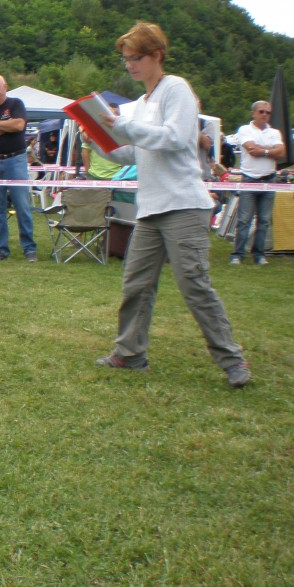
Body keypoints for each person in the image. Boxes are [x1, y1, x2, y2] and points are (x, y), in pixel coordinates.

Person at [89, 21, 250, 388]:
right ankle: (130, 354)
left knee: (194, 284)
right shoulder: (141, 104)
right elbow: (132, 150)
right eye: (126, 59)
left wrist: (123, 127)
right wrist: (99, 140)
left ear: (157, 55)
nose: (130, 65)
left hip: (184, 206)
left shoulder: (176, 89)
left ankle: (232, 360)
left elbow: (177, 139)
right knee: (136, 284)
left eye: (137, 57)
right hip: (151, 210)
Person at [0, 75, 38, 262]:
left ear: (5, 87)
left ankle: (29, 249)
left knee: (22, 205)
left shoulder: (16, 103)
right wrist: (8, 126)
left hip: (16, 160)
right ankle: (1, 249)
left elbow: (19, 125)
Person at [230, 100, 284, 265]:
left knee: (264, 220)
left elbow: (281, 152)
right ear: (254, 113)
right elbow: (251, 150)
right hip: (250, 179)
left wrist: (263, 150)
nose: (264, 115)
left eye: (267, 112)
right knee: (244, 219)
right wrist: (270, 151)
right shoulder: (245, 129)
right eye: (261, 112)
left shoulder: (274, 132)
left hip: (269, 179)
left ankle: (259, 255)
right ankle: (238, 254)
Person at [81, 104, 122, 180]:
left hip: (117, 176)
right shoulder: (93, 131)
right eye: (111, 113)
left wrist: (122, 173)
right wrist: (87, 170)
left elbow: (126, 156)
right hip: (94, 175)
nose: (114, 116)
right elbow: (85, 151)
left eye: (117, 114)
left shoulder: (121, 134)